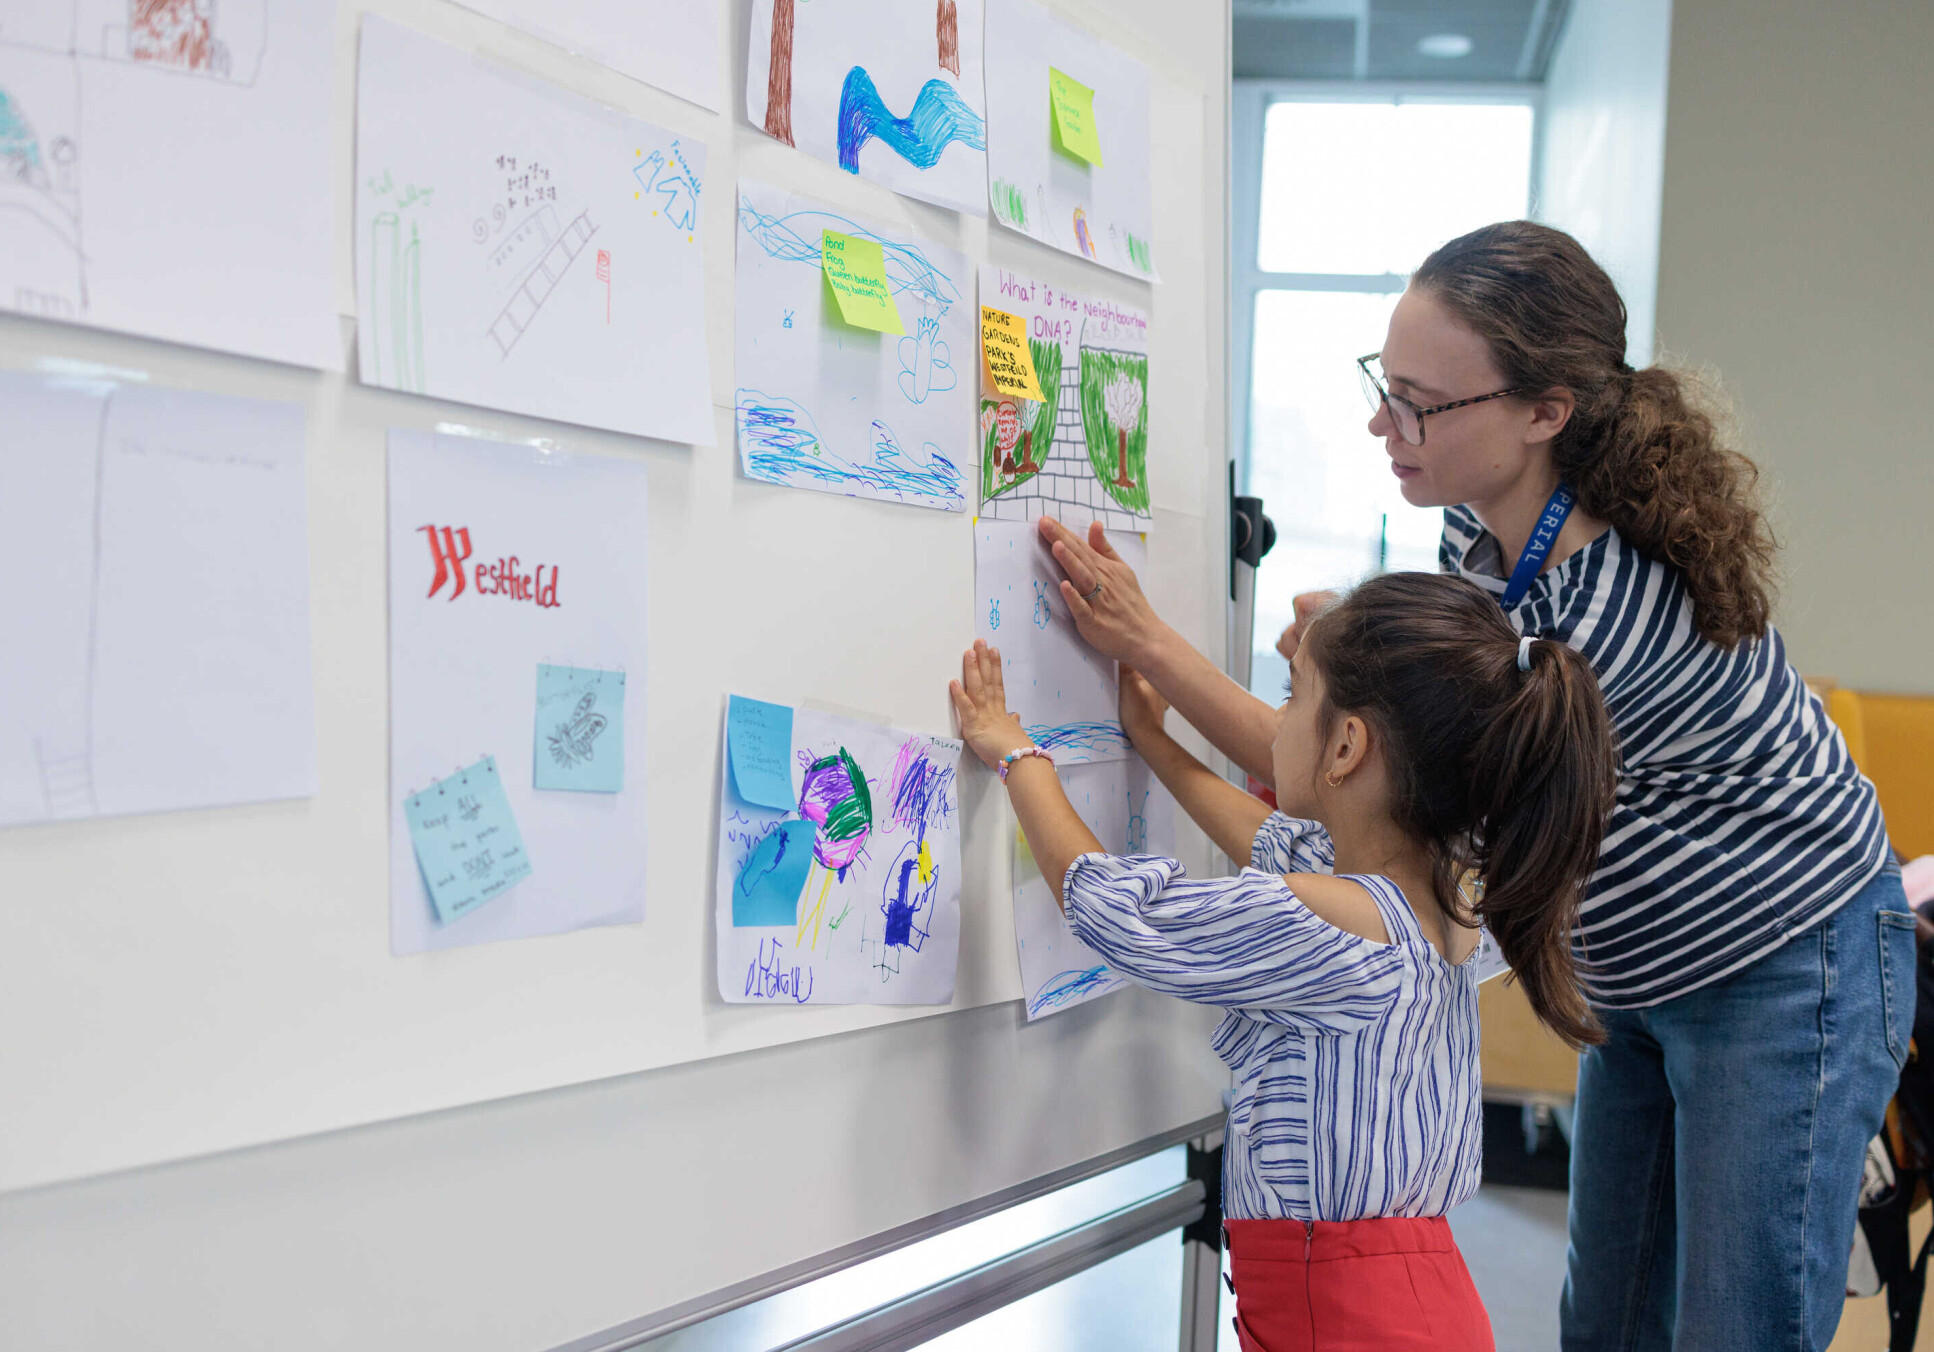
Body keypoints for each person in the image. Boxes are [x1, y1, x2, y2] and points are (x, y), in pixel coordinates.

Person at [1034, 220, 1913, 1350]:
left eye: (1420, 403)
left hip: (1785, 960)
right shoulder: (1479, 533)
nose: (1380, 423)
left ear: (1544, 410)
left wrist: (1150, 643)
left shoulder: (1599, 622)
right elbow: (1353, 755)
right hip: (1634, 968)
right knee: (1605, 1322)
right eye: (1383, 385)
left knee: (1736, 1329)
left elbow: (1333, 778)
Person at [950, 570, 1620, 1351]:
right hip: (1420, 1305)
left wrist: (1016, 753)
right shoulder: (1443, 904)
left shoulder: (1328, 923)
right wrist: (1154, 742)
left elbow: (1114, 909)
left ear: (1345, 746)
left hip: (1340, 1321)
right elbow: (1272, 840)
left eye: (1294, 695)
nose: (1276, 723)